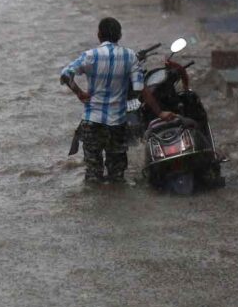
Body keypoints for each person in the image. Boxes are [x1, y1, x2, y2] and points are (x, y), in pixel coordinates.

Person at [60, 17, 173, 185]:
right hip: (118, 124)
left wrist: (79, 92)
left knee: (93, 175)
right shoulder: (130, 57)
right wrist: (160, 112)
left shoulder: (90, 56)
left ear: (99, 34)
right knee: (117, 176)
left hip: (93, 122)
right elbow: (141, 88)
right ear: (119, 35)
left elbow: (65, 74)